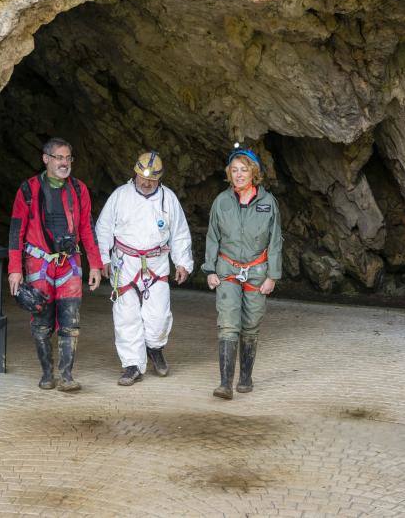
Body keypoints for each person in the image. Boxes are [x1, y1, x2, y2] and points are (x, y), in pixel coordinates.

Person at [8, 138, 102, 392]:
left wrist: (96, 264)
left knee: (70, 319)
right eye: (59, 157)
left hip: (69, 262)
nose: (64, 163)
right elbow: (17, 231)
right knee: (42, 320)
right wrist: (14, 269)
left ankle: (67, 376)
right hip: (39, 262)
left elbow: (87, 229)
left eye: (68, 158)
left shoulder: (79, 190)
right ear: (46, 159)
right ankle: (47, 373)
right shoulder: (28, 190)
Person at [96, 151, 193, 386]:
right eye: (143, 177)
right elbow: (104, 228)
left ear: (160, 179)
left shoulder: (168, 199)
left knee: (158, 316)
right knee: (126, 316)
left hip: (156, 264)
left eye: (152, 179)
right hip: (125, 263)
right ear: (135, 173)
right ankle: (132, 364)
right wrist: (103, 260)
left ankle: (154, 348)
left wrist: (182, 262)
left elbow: (179, 233)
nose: (147, 183)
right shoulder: (120, 196)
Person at [201, 145, 282, 399]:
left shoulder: (268, 203)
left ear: (253, 173)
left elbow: (276, 240)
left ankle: (245, 378)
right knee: (227, 324)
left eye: (243, 170)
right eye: (234, 170)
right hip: (227, 270)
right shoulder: (222, 202)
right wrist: (210, 269)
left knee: (251, 325)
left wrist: (273, 276)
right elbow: (212, 237)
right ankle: (225, 383)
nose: (238, 175)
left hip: (258, 272)